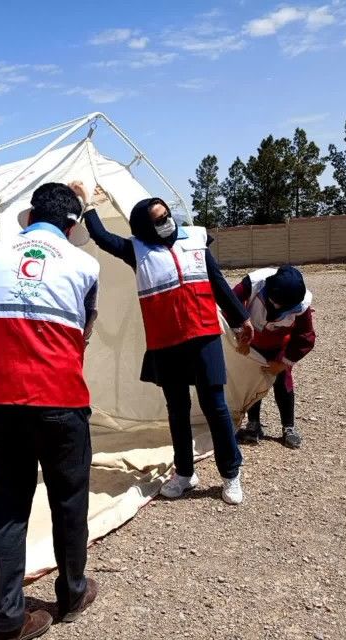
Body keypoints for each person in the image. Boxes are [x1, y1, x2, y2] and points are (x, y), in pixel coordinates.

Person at [0, 182, 100, 640]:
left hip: (2, 397)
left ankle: (8, 617)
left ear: (31, 215)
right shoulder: (86, 263)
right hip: (61, 396)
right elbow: (85, 329)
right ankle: (72, 593)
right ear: (72, 224)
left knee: (9, 506)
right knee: (69, 499)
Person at [78, 185, 254, 505]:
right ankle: (185, 473)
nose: (168, 222)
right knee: (177, 410)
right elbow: (102, 237)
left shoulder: (196, 241)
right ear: (145, 227)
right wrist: (88, 206)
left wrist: (241, 319)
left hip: (204, 337)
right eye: (159, 220)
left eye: (167, 216)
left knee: (215, 407)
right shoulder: (137, 250)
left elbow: (217, 282)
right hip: (167, 344)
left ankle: (231, 473)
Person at [233, 266, 316, 449]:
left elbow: (305, 337)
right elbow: (230, 304)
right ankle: (253, 425)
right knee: (253, 381)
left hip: (280, 346)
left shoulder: (301, 305)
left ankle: (289, 427)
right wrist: (240, 335)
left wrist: (282, 363)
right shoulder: (253, 283)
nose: (278, 309)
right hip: (252, 341)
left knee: (283, 382)